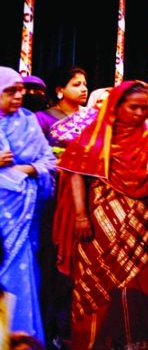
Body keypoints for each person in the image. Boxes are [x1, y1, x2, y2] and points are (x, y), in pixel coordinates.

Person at [54, 80, 148, 349]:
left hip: (141, 222)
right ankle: (92, 342)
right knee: (94, 280)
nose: (139, 114)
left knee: (136, 282)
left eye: (144, 109)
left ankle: (132, 342)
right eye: (133, 107)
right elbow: (76, 173)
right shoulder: (96, 136)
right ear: (117, 106)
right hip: (100, 221)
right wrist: (80, 215)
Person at [0, 66, 56, 341]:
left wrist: (30, 169)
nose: (18, 96)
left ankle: (20, 336)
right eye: (9, 91)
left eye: (20, 90)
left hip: (24, 213)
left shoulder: (28, 121)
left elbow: (49, 160)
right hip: (3, 209)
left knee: (22, 268)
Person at [36, 67, 88, 144]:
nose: (84, 89)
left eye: (84, 84)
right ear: (60, 90)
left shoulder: (91, 115)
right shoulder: (42, 118)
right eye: (77, 85)